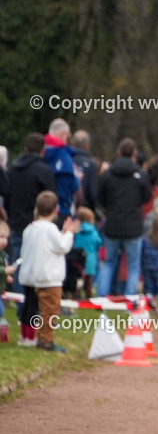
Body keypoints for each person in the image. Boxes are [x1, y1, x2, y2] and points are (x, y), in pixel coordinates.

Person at [18, 191, 80, 352]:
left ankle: (33, 337)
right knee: (50, 311)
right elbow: (62, 246)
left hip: (34, 276)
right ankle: (46, 341)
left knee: (34, 309)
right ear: (56, 210)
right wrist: (68, 233)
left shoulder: (30, 228)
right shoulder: (50, 229)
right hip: (50, 277)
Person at [0, 134, 55, 300]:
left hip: (16, 221)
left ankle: (18, 299)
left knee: (18, 262)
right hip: (36, 223)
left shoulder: (13, 169)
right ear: (42, 151)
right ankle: (33, 300)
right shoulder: (44, 170)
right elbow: (51, 197)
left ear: (25, 148)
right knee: (37, 262)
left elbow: (7, 194)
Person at [96, 138, 151, 298]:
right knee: (133, 265)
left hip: (112, 224)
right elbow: (147, 197)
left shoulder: (108, 174)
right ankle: (130, 300)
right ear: (134, 154)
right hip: (133, 227)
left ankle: (101, 298)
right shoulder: (140, 175)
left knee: (109, 262)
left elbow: (101, 197)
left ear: (118, 152)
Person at [42, 119, 79, 224]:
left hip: (40, 209)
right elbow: (69, 186)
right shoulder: (63, 157)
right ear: (64, 135)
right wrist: (76, 179)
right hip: (60, 210)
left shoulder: (40, 151)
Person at [73, 207, 102, 299]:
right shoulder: (94, 232)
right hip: (90, 259)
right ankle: (88, 297)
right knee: (89, 281)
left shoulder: (76, 231)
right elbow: (98, 243)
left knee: (78, 279)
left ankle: (77, 295)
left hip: (78, 259)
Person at [70, 130, 99, 212]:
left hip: (67, 208)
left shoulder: (66, 161)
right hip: (84, 211)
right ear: (87, 145)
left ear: (72, 143)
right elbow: (93, 193)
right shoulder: (91, 165)